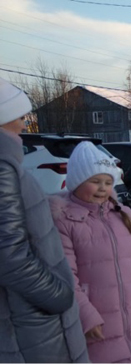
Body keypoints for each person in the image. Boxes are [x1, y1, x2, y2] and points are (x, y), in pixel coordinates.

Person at [0, 78, 89, 362]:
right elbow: (9, 255)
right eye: (21, 116)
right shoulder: (3, 167)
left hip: (29, 313)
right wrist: (59, 296)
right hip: (32, 318)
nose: (25, 124)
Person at [49, 141, 131, 362]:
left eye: (108, 182)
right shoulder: (64, 221)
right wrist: (85, 316)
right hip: (96, 319)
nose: (103, 188)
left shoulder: (123, 214)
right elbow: (64, 276)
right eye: (95, 181)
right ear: (76, 182)